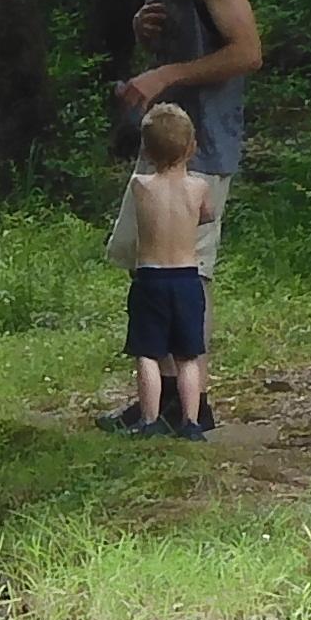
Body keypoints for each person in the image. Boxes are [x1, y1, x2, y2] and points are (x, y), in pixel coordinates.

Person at [98, 0, 260, 432]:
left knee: (190, 272)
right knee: (145, 261)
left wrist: (166, 73)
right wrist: (143, 30)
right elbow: (177, 32)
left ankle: (194, 406)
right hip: (162, 135)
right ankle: (161, 400)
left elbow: (247, 53)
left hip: (204, 143)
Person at [111, 100, 220, 436]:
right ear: (193, 147)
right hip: (187, 278)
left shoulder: (141, 187)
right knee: (188, 354)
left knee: (148, 353)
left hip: (151, 279)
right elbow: (209, 214)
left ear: (146, 149)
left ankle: (149, 418)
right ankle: (191, 420)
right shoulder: (199, 188)